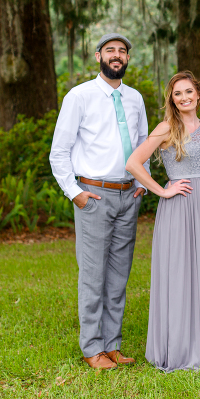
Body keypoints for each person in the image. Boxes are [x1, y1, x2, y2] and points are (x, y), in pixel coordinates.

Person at [50, 33, 148, 370]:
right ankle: (92, 347)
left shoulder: (135, 98)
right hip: (93, 195)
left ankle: (112, 344)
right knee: (93, 275)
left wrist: (141, 183)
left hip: (128, 195)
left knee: (119, 275)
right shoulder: (79, 96)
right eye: (110, 50)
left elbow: (143, 142)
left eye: (122, 51)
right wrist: (74, 192)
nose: (116, 55)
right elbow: (59, 151)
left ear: (127, 58)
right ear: (98, 56)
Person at [125, 71, 200, 372]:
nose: (184, 97)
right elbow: (133, 163)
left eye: (188, 91)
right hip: (178, 208)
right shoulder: (166, 127)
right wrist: (162, 190)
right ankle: (177, 349)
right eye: (177, 93)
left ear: (198, 94)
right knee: (178, 274)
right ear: (172, 99)